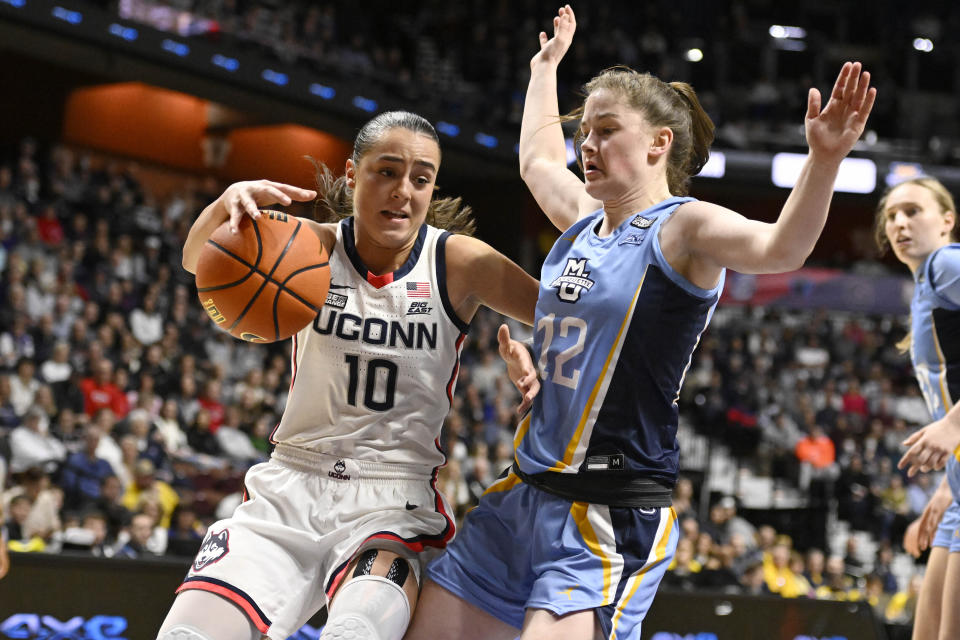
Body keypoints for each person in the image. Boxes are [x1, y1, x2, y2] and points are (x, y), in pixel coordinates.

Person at [406, 6, 875, 639]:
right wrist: (544, 70)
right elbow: (538, 162)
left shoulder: (684, 227)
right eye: (584, 131)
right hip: (523, 494)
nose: (587, 145)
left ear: (659, 142)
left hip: (607, 512)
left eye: (606, 130)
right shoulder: (581, 219)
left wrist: (823, 161)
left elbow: (779, 249)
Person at [156, 110, 539, 640]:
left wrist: (542, 366)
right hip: (290, 484)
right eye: (387, 171)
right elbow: (198, 259)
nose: (403, 191)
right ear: (353, 174)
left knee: (354, 632)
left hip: (390, 501)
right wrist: (228, 204)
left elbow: (561, 315)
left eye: (421, 178)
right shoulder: (308, 247)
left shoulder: (457, 262)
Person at [873, 176, 960, 640]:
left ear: (947, 221)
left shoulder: (948, 263)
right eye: (891, 216)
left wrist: (953, 424)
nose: (899, 223)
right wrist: (946, 490)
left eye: (912, 211)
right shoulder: (928, 282)